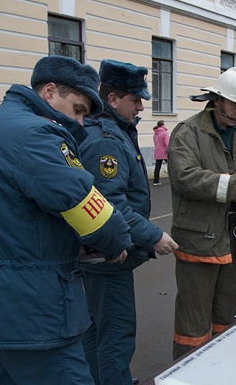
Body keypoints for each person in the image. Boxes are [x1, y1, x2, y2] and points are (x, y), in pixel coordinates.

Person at [0, 55, 132, 384]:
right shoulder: (35, 136)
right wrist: (117, 240)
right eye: (78, 109)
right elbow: (83, 201)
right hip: (30, 309)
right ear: (50, 92)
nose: (80, 123)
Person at [78, 59, 179, 385]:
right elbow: (111, 204)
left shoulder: (113, 131)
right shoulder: (107, 139)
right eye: (135, 100)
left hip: (100, 253)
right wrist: (153, 236)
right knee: (116, 335)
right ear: (112, 99)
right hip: (108, 256)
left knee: (97, 331)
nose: (140, 106)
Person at [168, 67, 236, 359]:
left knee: (231, 313)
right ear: (217, 101)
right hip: (199, 241)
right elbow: (184, 177)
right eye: (235, 105)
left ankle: (227, 368)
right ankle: (187, 374)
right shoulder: (188, 132)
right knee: (194, 322)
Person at [152, 120, 169, 186]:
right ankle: (175, 179)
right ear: (163, 125)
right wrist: (168, 149)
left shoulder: (155, 133)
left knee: (157, 166)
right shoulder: (164, 133)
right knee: (171, 165)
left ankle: (156, 181)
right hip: (164, 151)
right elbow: (167, 143)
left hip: (157, 151)